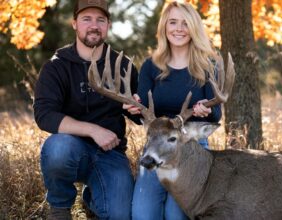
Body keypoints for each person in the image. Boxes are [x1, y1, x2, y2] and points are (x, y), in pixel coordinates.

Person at [33, 0, 140, 219]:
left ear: (108, 24)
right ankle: (60, 208)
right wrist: (93, 130)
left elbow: (140, 116)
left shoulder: (123, 65)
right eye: (86, 19)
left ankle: (92, 198)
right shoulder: (57, 66)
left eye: (100, 20)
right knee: (57, 148)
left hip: (111, 154)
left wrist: (138, 108)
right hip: (71, 149)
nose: (94, 25)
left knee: (121, 214)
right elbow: (44, 115)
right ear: (74, 24)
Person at [124, 2, 222, 219]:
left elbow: (216, 115)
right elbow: (141, 114)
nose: (178, 29)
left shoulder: (207, 66)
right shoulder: (151, 66)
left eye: (185, 23)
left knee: (175, 216)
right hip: (156, 146)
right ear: (164, 27)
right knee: (143, 215)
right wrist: (131, 107)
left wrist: (206, 110)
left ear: (194, 28)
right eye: (173, 22)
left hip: (191, 147)